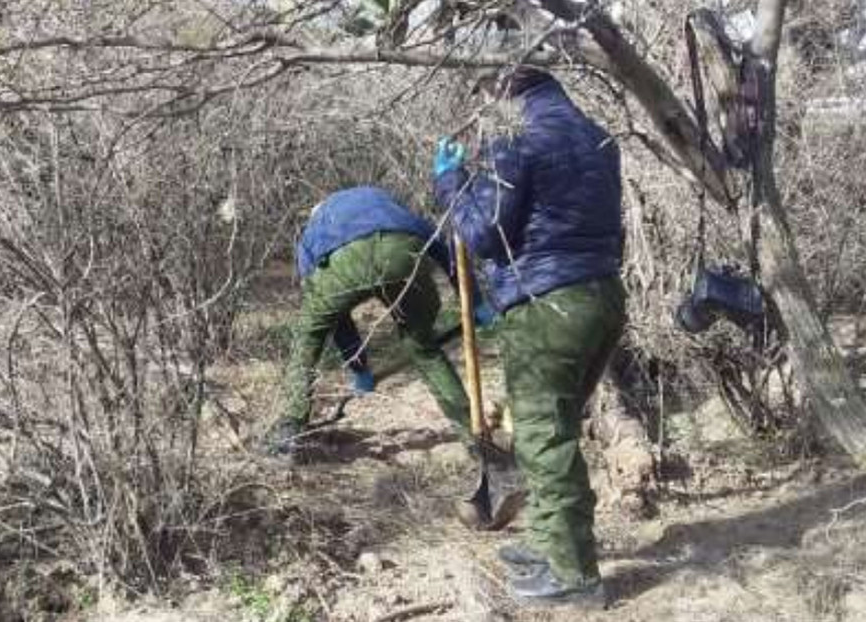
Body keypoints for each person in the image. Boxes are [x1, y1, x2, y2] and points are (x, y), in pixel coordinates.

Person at [433, 67, 626, 608]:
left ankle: (574, 576)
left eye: (485, 93)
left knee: (545, 439)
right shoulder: (596, 133)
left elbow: (484, 235)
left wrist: (451, 184)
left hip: (549, 306)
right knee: (554, 430)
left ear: (503, 88)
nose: (484, 106)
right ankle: (546, 543)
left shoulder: (517, 137)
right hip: (601, 294)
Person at [266, 185, 494, 455]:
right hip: (402, 251)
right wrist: (476, 302)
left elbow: (336, 321)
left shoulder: (313, 232)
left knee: (309, 335)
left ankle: (290, 428)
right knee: (424, 349)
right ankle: (474, 439)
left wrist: (358, 367)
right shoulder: (389, 207)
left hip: (341, 265)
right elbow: (442, 249)